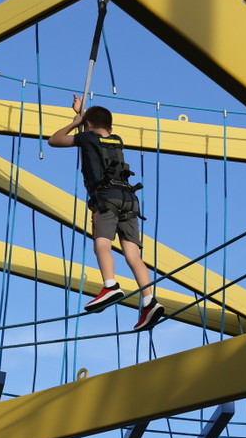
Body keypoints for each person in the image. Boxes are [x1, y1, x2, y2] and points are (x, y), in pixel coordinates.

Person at [48, 97, 163, 332]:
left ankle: (110, 285)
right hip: (130, 200)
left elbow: (54, 140)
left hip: (106, 198)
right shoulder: (116, 140)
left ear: (88, 125)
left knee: (101, 243)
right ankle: (149, 300)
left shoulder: (87, 137)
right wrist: (84, 115)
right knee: (133, 255)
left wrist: (75, 121)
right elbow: (97, 130)